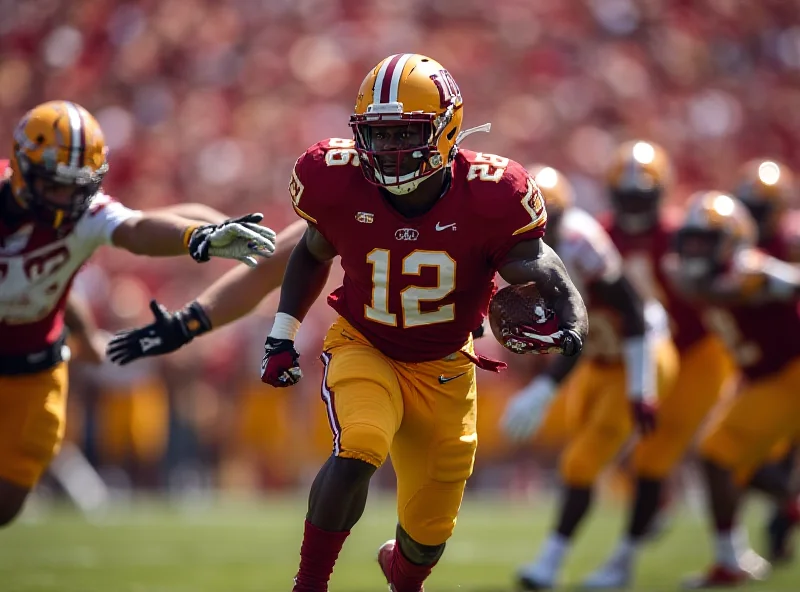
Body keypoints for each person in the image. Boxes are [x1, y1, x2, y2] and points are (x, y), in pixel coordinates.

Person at [258, 53, 588, 592]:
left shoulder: (491, 192)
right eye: (377, 135)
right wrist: (281, 336)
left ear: (447, 128)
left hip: (445, 365)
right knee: (359, 446)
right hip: (365, 343)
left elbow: (538, 264)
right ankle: (309, 584)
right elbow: (312, 252)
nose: (388, 150)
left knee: (427, 533)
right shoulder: (335, 179)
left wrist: (572, 323)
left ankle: (404, 577)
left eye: (404, 133)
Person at [0, 100, 276, 528]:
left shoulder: (82, 215)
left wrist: (196, 236)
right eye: (56, 185)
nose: (67, 199)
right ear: (22, 168)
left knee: (9, 499)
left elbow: (135, 231)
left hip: (32, 366)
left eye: (78, 187)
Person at [500, 165, 672, 590]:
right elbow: (577, 333)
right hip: (595, 359)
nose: (537, 233)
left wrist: (642, 388)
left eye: (546, 222)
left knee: (581, 462)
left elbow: (631, 313)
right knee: (579, 457)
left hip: (638, 352)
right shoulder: (510, 242)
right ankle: (620, 545)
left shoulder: (581, 244)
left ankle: (550, 565)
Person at [581, 141, 738, 588]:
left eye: (641, 196)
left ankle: (623, 561)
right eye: (627, 195)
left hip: (695, 354)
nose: (634, 205)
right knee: (661, 452)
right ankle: (736, 544)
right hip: (646, 354)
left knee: (660, 455)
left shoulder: (679, 232)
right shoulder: (601, 233)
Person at [668, 191, 800, 587]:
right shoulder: (690, 273)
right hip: (761, 377)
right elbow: (697, 285)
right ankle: (753, 537)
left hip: (789, 374)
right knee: (730, 464)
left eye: (705, 239)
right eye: (691, 238)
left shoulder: (749, 265)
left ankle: (732, 560)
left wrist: (763, 284)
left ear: (729, 240)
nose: (694, 248)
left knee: (715, 455)